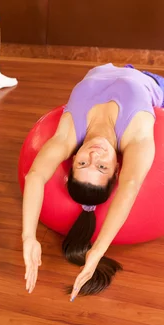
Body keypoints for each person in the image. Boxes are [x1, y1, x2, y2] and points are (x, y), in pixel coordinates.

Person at [21, 63, 164, 301]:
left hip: (110, 68)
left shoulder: (67, 136)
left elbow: (35, 176)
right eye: (102, 167)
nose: (94, 156)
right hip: (153, 82)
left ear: (73, 158)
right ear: (118, 168)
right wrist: (97, 251)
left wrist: (29, 236)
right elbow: (130, 187)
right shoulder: (136, 137)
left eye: (83, 164)